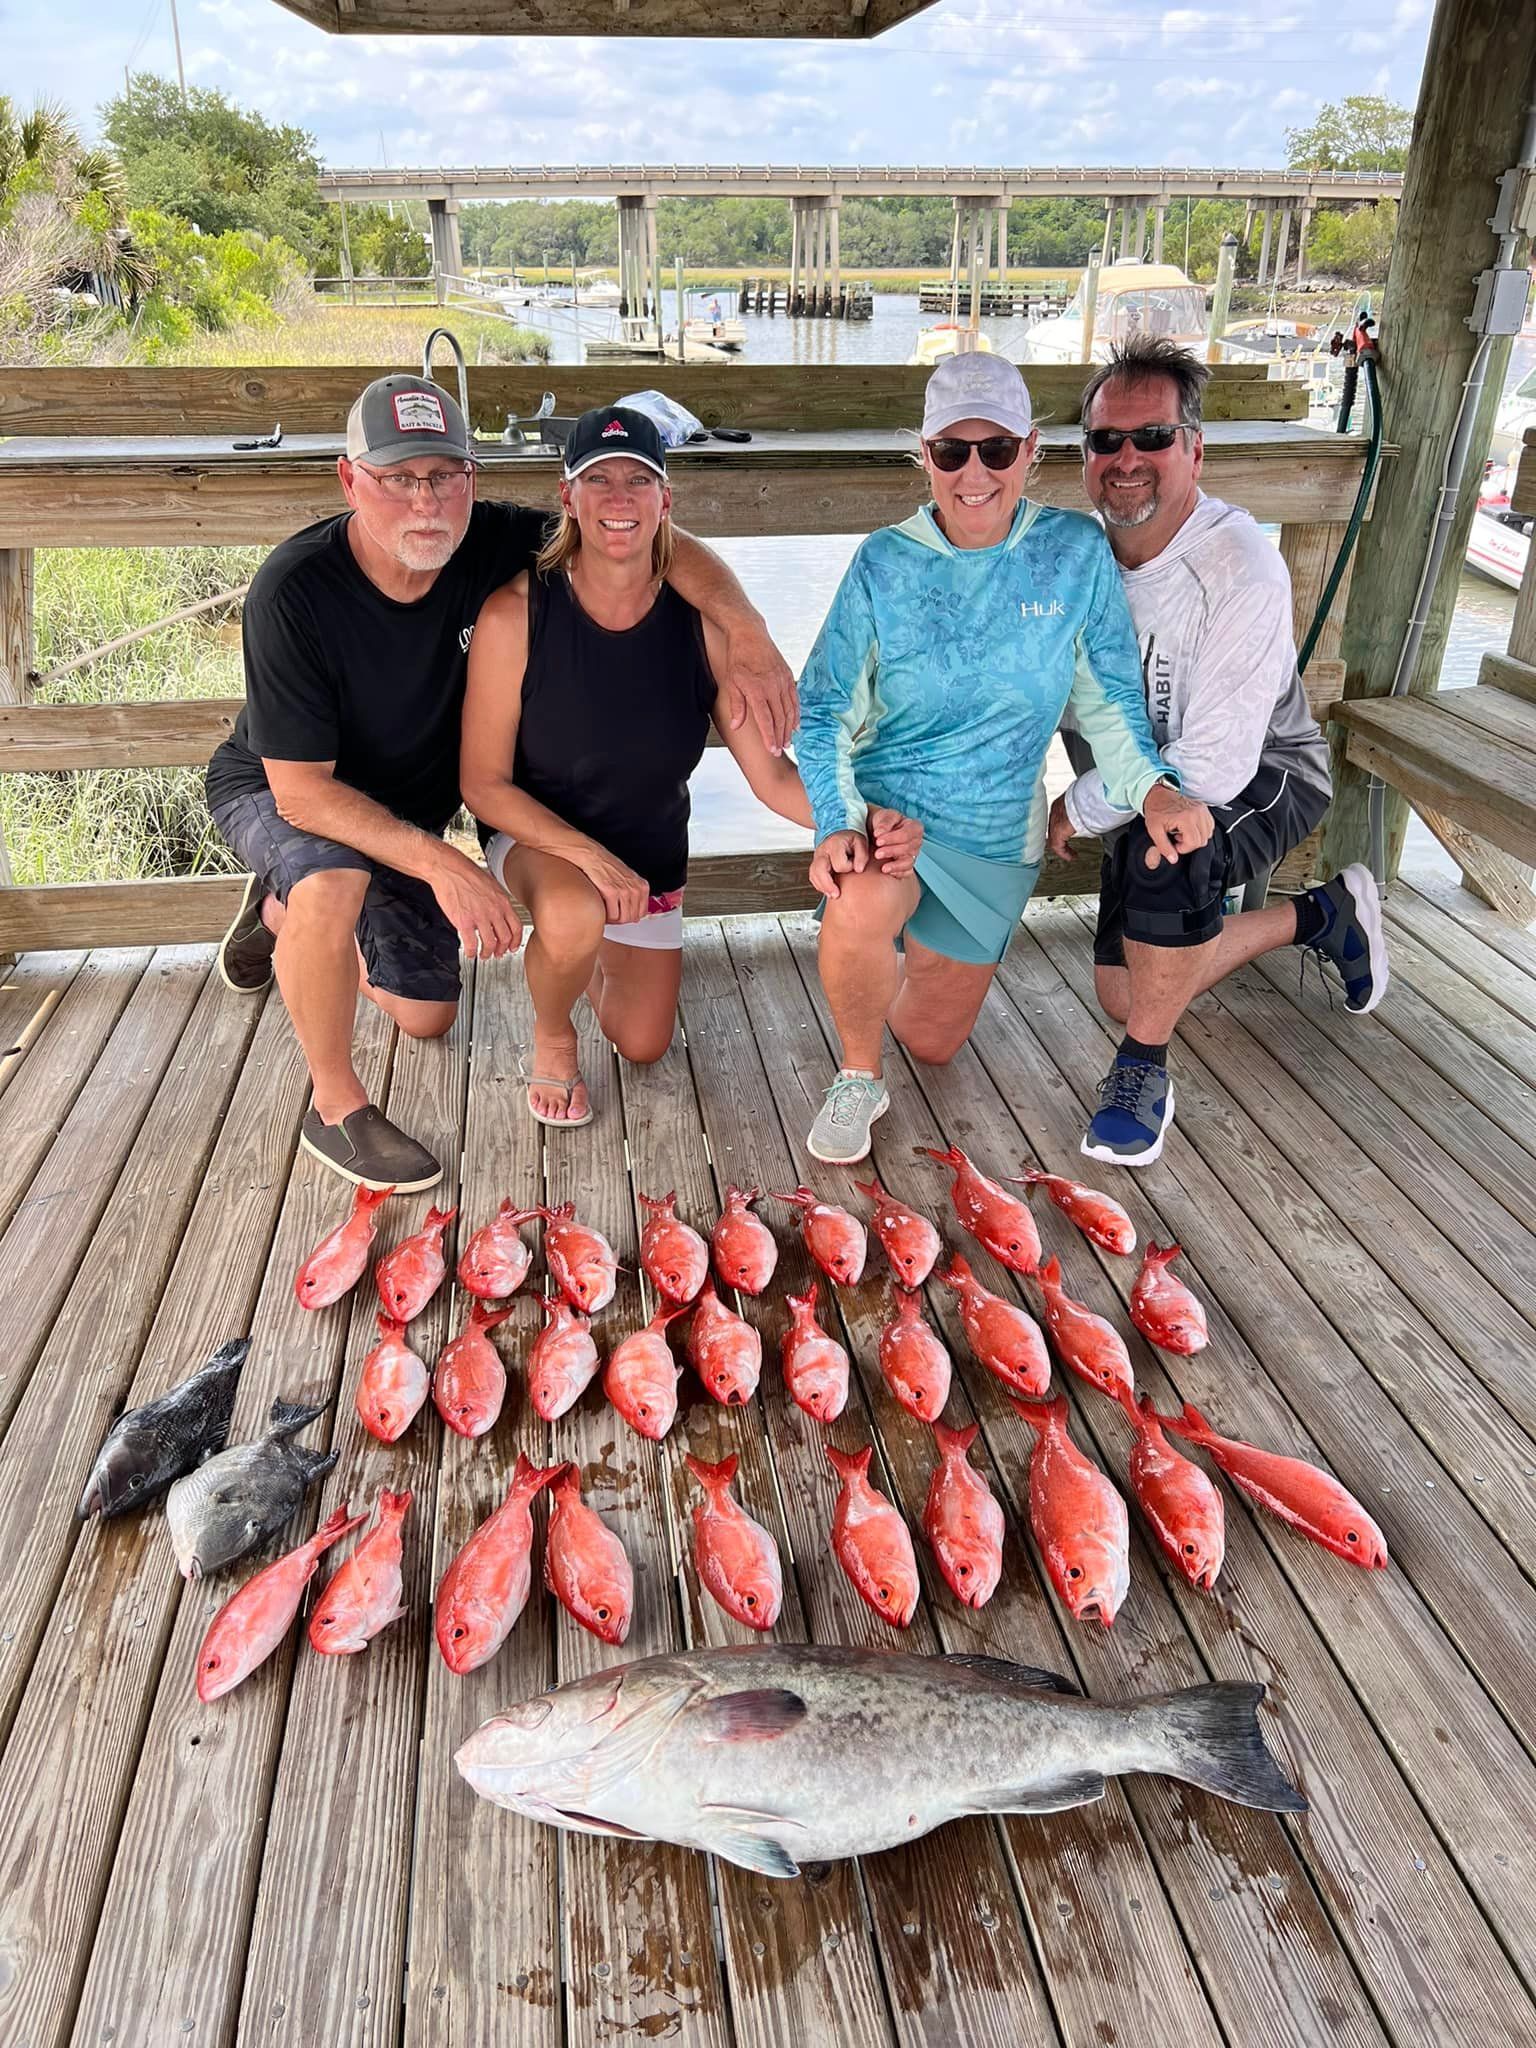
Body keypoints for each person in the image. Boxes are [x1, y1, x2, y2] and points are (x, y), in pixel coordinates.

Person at [204, 373, 798, 1192]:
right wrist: (449, 866)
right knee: (328, 872)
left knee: (427, 1015)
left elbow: (638, 532)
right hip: (288, 789)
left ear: (471, 479)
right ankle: (335, 1106)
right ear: (350, 479)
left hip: (407, 811)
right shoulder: (294, 590)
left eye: (445, 474)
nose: (425, 502)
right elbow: (303, 795)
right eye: (399, 478)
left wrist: (748, 628)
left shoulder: (493, 540)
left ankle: (278, 909)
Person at [794, 350, 1211, 1167]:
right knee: (862, 903)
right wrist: (837, 820)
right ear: (925, 457)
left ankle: (882, 968)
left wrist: (1156, 791)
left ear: (1030, 451)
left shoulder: (1073, 552)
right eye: (951, 451)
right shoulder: (883, 561)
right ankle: (855, 1073)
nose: (973, 471)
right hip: (891, 818)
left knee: (934, 1039)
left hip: (995, 839)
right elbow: (821, 714)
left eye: (994, 450)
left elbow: (1112, 706)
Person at [460, 404, 921, 1128]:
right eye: (598, 480)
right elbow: (481, 783)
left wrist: (857, 816)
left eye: (638, 481)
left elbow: (769, 780)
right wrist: (588, 861)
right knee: (575, 908)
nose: (619, 499)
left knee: (644, 1043)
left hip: (649, 855)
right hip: (539, 839)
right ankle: (553, 1028)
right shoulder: (515, 615)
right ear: (566, 496)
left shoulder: (706, 633)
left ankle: (583, 951)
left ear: (666, 499)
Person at [1051, 334, 1388, 1168]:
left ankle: (1142, 1073)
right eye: (1105, 440)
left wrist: (1073, 807)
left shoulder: (1239, 566)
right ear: (1084, 456)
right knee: (1123, 989)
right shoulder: (1078, 558)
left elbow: (1209, 774)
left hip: (1265, 772)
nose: (1127, 459)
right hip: (1141, 783)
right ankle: (1321, 914)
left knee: (1177, 842)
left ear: (1194, 450)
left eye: (1152, 438)